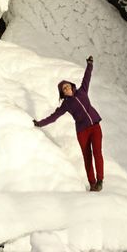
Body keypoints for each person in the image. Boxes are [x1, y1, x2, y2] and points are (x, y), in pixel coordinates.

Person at [33, 56, 106, 190]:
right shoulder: (66, 104)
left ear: (72, 86)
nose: (66, 89)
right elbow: (54, 117)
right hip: (82, 131)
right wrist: (40, 123)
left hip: (95, 126)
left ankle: (100, 180)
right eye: (63, 89)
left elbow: (87, 77)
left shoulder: (82, 91)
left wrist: (89, 64)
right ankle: (92, 184)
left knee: (97, 152)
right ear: (63, 93)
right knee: (87, 157)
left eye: (67, 86)